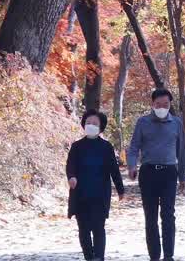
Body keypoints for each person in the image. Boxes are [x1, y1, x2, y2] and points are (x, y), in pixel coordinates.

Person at [127, 88, 185, 261]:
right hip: (148, 173)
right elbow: (134, 147)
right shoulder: (143, 122)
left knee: (168, 215)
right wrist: (132, 166)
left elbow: (182, 151)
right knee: (150, 216)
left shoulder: (176, 123)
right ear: (152, 104)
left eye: (165, 104)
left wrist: (182, 176)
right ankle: (154, 255)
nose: (162, 107)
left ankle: (168, 255)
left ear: (170, 105)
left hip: (169, 173)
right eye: (158, 104)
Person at [67, 110, 125, 261]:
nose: (91, 125)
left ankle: (99, 257)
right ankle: (89, 257)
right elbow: (70, 165)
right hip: (80, 194)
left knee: (98, 228)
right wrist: (71, 177)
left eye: (94, 123)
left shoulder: (106, 147)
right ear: (83, 125)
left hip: (100, 194)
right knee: (83, 229)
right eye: (88, 123)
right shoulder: (76, 146)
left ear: (100, 127)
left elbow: (114, 169)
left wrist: (120, 189)